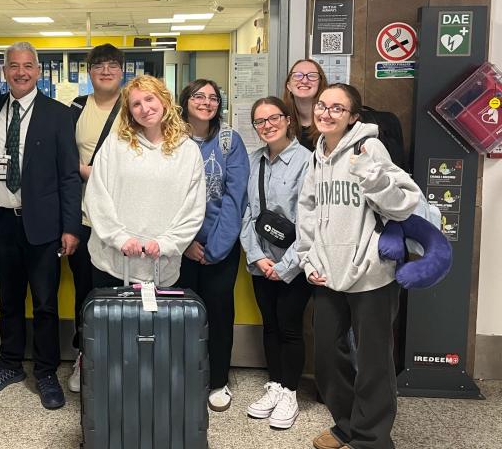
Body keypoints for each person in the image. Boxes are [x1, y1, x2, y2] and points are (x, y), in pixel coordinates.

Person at [297, 84, 420, 449]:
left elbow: (405, 203)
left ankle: (371, 438)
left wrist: (372, 176)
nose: (326, 113)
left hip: (371, 273)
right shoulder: (317, 154)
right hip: (328, 273)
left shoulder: (370, 147)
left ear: (352, 116)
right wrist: (308, 258)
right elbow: (307, 211)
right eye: (322, 105)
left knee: (373, 361)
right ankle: (348, 424)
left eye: (337, 108)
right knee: (326, 357)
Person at [0, 41, 82, 411]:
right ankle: (9, 363)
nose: (20, 72)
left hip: (43, 225)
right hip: (0, 221)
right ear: (5, 71)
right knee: (9, 299)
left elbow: (69, 176)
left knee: (45, 302)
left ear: (38, 71)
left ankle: (46, 371)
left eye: (27, 66)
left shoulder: (58, 115)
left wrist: (71, 227)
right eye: (13, 66)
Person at [85, 74, 206, 290]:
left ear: (164, 100)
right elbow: (96, 197)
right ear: (129, 111)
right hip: (111, 264)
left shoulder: (188, 151)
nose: (144, 108)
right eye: (136, 104)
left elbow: (193, 209)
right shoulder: (114, 144)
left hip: (162, 267)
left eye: (150, 99)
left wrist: (166, 244)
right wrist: (119, 238)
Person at [239, 96, 312, 430]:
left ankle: (290, 393)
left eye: (273, 118)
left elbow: (312, 221)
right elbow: (247, 214)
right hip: (261, 262)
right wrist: (257, 256)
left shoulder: (307, 161)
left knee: (289, 327)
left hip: (294, 265)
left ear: (288, 120)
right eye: (260, 121)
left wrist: (285, 267)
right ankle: (276, 385)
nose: (267, 125)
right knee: (269, 325)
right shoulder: (253, 161)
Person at [177, 79, 249, 413]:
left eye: (213, 98)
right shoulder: (171, 139)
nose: (206, 102)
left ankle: (218, 380)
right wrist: (185, 243)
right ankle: (184, 377)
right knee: (181, 316)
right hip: (179, 247)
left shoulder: (229, 141)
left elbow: (235, 198)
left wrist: (216, 248)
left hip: (220, 247)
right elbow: (165, 196)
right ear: (185, 101)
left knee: (219, 314)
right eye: (199, 96)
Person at [66, 43, 124, 393]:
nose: (105, 70)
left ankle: (117, 361)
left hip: (123, 222)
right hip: (86, 219)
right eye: (98, 65)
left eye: (112, 65)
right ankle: (84, 356)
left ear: (122, 71)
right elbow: (64, 158)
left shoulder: (133, 108)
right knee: (86, 293)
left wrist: (94, 172)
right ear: (89, 72)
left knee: (120, 293)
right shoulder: (76, 108)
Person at [282, 59, 328, 151]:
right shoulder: (281, 122)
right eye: (297, 75)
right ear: (289, 86)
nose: (304, 80)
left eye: (312, 76)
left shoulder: (330, 121)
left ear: (320, 84)